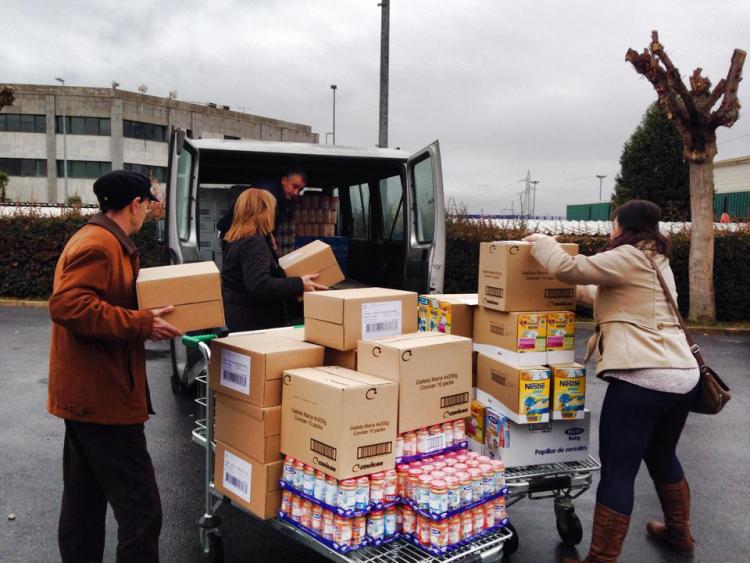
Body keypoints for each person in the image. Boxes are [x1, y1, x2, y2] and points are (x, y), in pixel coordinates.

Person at [524, 199, 699, 563]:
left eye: (613, 223)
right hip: (682, 378)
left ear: (624, 225)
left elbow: (570, 268)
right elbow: (599, 291)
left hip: (643, 379)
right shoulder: (656, 260)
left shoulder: (628, 256)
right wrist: (550, 289)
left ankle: (601, 559)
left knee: (619, 471)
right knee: (662, 454)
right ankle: (680, 534)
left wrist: (541, 241)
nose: (610, 229)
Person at [48, 170, 183, 562]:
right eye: (148, 203)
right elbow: (68, 305)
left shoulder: (100, 238)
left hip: (86, 398)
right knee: (142, 510)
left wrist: (139, 316)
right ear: (134, 205)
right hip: (102, 401)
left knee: (84, 503)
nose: (148, 211)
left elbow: (99, 304)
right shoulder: (100, 244)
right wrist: (141, 323)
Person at [221, 187, 325, 331]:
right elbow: (259, 285)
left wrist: (271, 251)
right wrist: (300, 284)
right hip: (255, 326)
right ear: (264, 211)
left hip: (239, 321)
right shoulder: (254, 243)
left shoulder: (236, 241)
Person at [216, 170, 306, 255]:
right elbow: (258, 226)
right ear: (284, 180)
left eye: (300, 190)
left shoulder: (284, 199)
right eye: (294, 186)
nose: (296, 192)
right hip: (236, 236)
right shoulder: (266, 194)